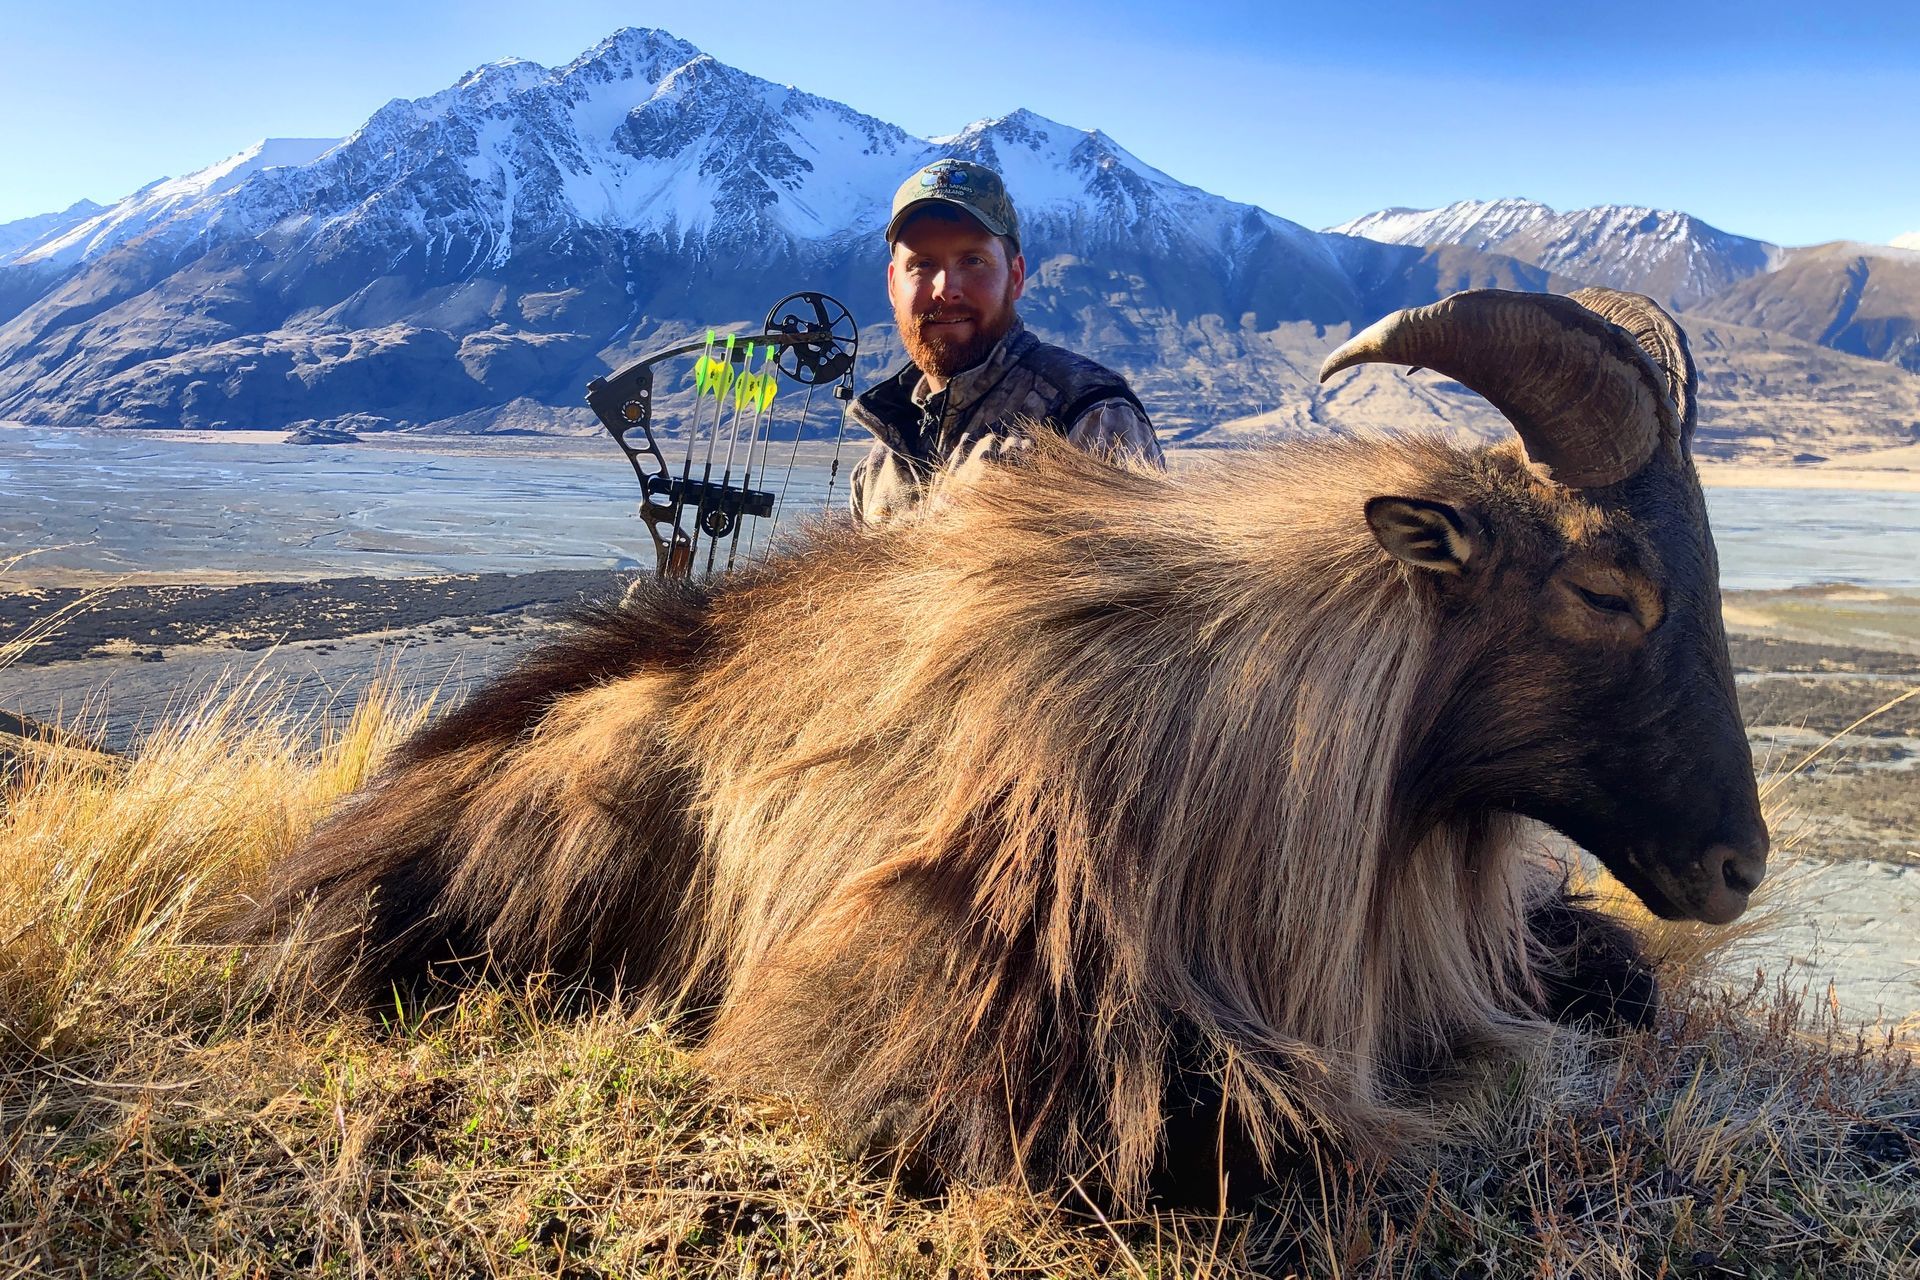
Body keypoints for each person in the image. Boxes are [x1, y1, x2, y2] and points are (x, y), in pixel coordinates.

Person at [847, 158, 1163, 524]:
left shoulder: (1087, 416)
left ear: (1015, 277)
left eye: (972, 261)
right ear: (892, 285)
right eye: (922, 265)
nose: (945, 289)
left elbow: (1142, 577)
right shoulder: (881, 461)